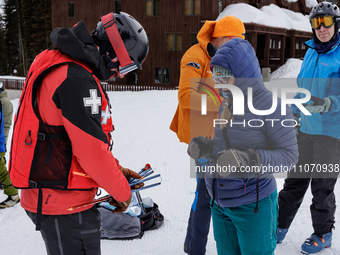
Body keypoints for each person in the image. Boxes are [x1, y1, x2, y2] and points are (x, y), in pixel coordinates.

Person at [9, 12, 148, 255]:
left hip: (47, 193)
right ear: (113, 52)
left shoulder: (54, 59)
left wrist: (116, 170)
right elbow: (90, 152)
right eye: (124, 65)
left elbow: (68, 137)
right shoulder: (76, 77)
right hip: (65, 204)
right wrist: (122, 193)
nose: (120, 74)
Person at [187, 38, 298, 255]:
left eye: (225, 74)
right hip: (219, 203)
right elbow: (229, 145)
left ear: (244, 73)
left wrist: (249, 159)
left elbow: (289, 155)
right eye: (216, 74)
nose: (219, 81)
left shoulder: (271, 106)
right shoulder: (227, 101)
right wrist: (207, 148)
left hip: (253, 207)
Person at [169, 15, 245, 255]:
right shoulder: (195, 56)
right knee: (207, 194)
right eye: (232, 41)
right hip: (201, 138)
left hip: (221, 134)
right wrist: (221, 96)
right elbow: (185, 96)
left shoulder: (229, 59)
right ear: (219, 37)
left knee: (209, 192)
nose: (236, 47)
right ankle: (195, 248)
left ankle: (192, 243)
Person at [277, 2, 340, 254]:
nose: (321, 28)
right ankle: (278, 227)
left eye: (326, 22)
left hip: (331, 133)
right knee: (294, 181)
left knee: (322, 186)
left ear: (336, 24)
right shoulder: (312, 52)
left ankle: (323, 233)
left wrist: (327, 103)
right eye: (316, 22)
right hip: (306, 128)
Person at [0, 82, 19, 208]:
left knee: (1, 167)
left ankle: (13, 194)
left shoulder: (4, 103)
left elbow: (5, 125)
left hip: (1, 139)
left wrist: (3, 142)